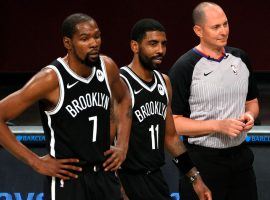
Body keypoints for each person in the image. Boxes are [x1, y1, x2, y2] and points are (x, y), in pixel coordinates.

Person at [0, 13, 132, 200]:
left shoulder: (107, 67)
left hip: (104, 174)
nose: (94, 43)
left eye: (97, 36)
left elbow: (124, 98)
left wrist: (122, 146)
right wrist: (35, 162)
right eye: (85, 38)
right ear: (68, 43)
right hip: (68, 181)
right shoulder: (50, 79)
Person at [169, 2, 259, 200]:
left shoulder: (241, 58)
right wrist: (219, 125)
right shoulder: (184, 67)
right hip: (203, 162)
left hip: (242, 160)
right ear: (198, 30)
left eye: (225, 24)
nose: (223, 31)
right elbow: (173, 122)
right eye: (216, 27)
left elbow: (252, 102)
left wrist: (250, 115)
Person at [116, 18, 212, 200]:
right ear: (135, 46)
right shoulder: (121, 83)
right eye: (153, 44)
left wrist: (196, 180)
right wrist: (119, 191)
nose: (160, 50)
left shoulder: (164, 82)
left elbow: (171, 138)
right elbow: (106, 145)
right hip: (127, 179)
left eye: (163, 44)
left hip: (155, 178)